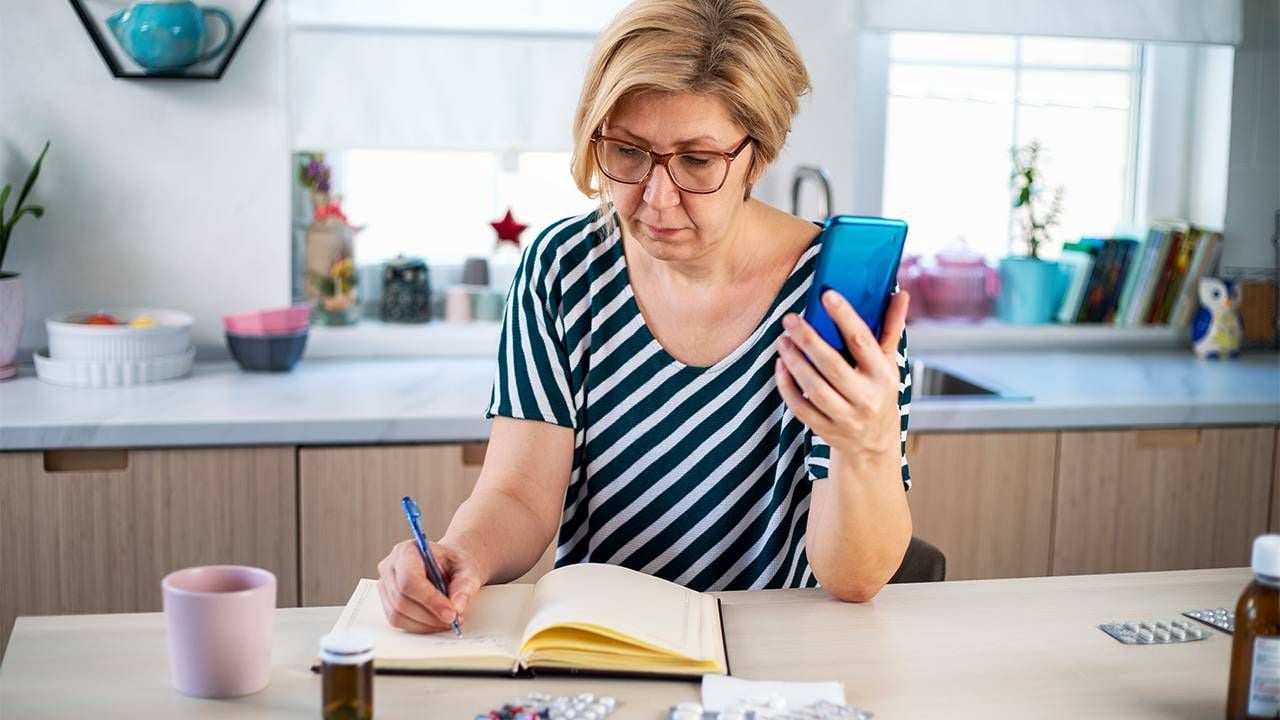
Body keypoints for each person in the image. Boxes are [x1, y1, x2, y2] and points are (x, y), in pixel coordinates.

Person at [378, 0, 913, 634]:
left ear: (758, 157)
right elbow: (518, 495)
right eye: (628, 152)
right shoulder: (563, 268)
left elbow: (853, 579)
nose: (657, 199)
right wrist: (460, 553)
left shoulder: (832, 300)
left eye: (696, 161)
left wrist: (867, 445)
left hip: (774, 655)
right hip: (603, 643)